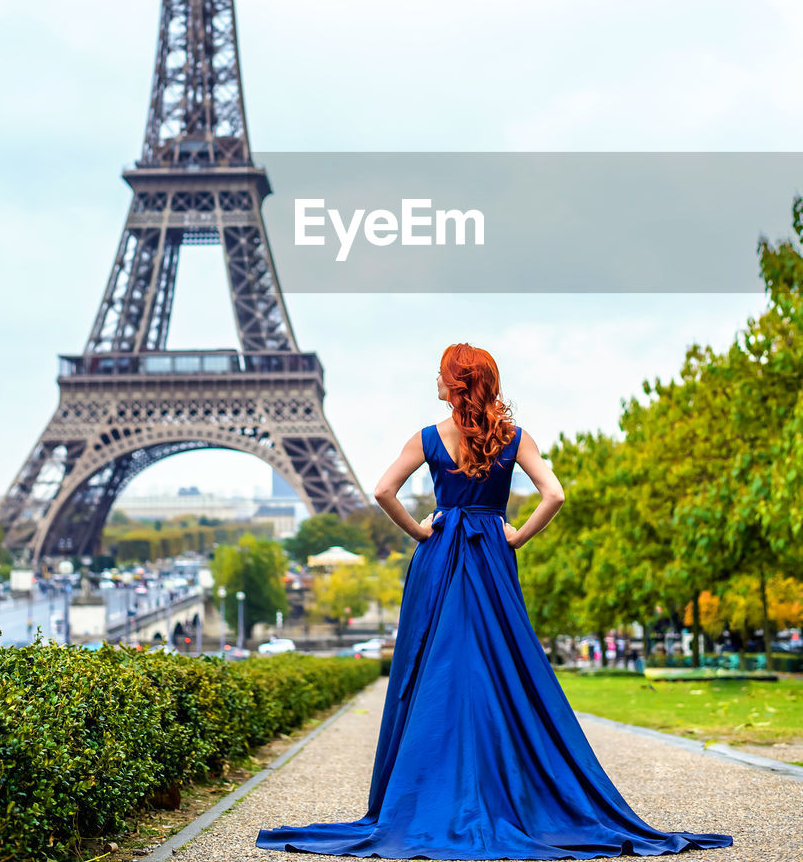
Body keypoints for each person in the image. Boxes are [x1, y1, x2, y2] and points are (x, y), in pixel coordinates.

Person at [255, 343, 733, 860]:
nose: (434, 383)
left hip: (440, 558)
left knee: (434, 668)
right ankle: (509, 787)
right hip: (491, 555)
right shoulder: (513, 437)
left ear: (456, 384)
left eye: (440, 375)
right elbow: (555, 494)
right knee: (502, 666)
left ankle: (429, 793)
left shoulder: (427, 437)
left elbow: (382, 491)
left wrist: (421, 531)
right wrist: (517, 537)